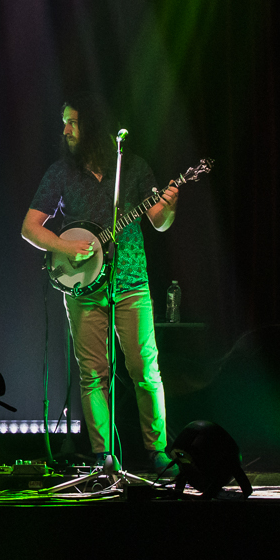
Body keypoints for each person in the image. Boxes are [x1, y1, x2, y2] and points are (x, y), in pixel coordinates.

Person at [18, 98, 180, 475]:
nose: (65, 131)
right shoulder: (60, 172)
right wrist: (65, 246)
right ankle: (103, 457)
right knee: (93, 374)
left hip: (131, 283)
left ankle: (158, 452)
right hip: (83, 287)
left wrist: (169, 205)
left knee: (145, 370)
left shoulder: (134, 167)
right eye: (65, 123)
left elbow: (158, 222)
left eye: (71, 123)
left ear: (91, 127)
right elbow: (30, 227)